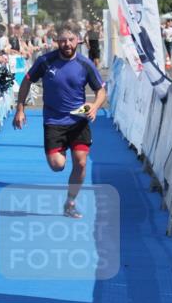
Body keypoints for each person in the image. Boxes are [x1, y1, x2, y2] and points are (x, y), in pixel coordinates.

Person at [13, 22, 107, 219]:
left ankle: (70, 202)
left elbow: (100, 90)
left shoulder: (85, 64)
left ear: (78, 41)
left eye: (70, 40)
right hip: (54, 120)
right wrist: (20, 109)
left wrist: (95, 107)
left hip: (79, 120)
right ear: (56, 41)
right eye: (62, 40)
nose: (66, 44)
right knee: (57, 165)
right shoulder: (45, 61)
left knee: (80, 163)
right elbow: (27, 81)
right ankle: (59, 151)